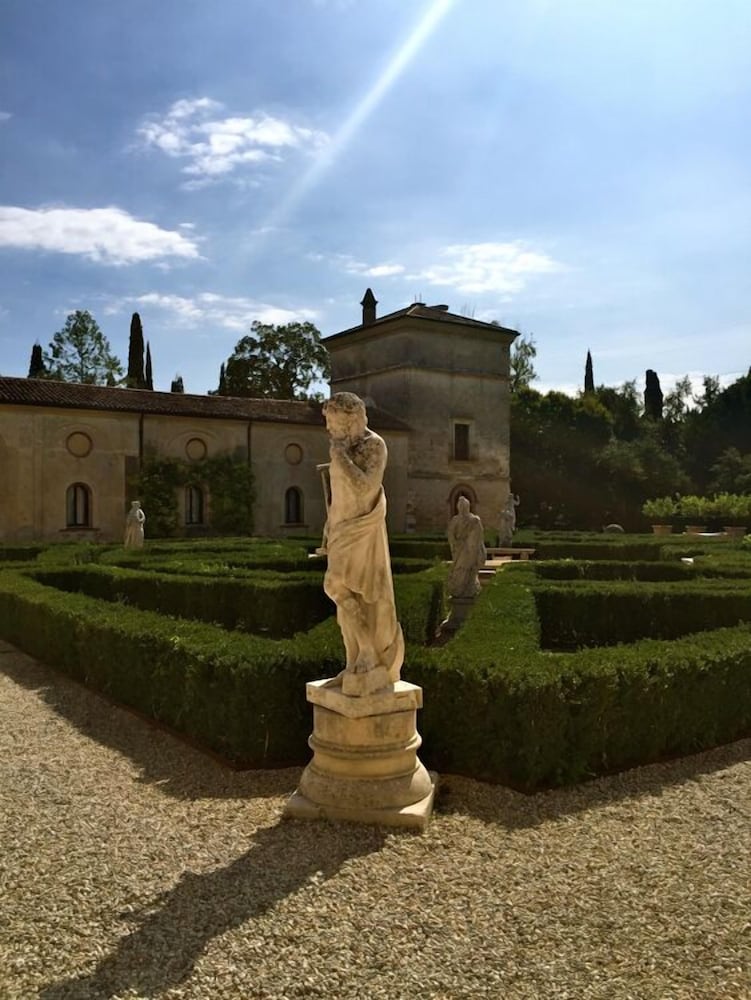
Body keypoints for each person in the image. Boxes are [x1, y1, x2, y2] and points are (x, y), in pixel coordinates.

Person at [322, 392, 403, 686]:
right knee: (346, 599)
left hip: (361, 529)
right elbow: (339, 493)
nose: (329, 429)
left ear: (352, 420)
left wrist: (341, 457)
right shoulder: (341, 446)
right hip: (340, 528)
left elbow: (367, 488)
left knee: (335, 586)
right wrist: (328, 525)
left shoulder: (374, 445)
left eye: (333, 423)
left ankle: (369, 650)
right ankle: (353, 663)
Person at [447, 497, 487, 598]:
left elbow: (479, 536)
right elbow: (450, 534)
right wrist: (455, 543)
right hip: (459, 549)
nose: (462, 508)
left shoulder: (474, 520)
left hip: (470, 550)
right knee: (459, 568)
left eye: (464, 506)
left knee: (469, 568)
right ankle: (459, 589)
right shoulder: (455, 520)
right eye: (460, 506)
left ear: (468, 507)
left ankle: (469, 588)